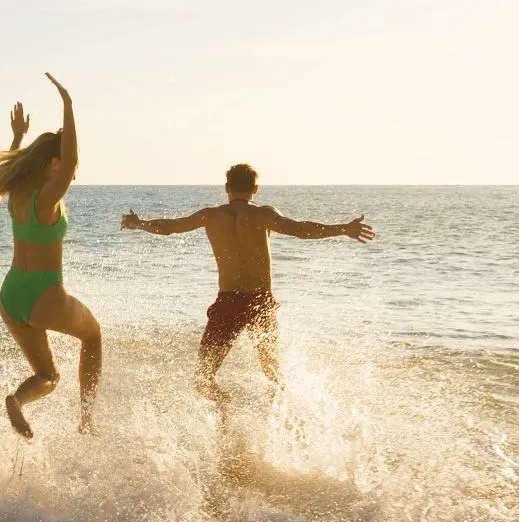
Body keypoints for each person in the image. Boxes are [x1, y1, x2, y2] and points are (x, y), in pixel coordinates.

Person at [122, 164, 374, 429]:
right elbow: (301, 230)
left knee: (204, 378)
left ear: (227, 188)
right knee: (273, 374)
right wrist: (343, 229)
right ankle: (286, 428)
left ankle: (224, 419)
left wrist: (139, 224)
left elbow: (169, 227)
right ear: (255, 189)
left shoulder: (210, 216)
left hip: (228, 303)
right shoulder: (263, 215)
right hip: (260, 304)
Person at [0, 73, 103, 439]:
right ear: (53, 163)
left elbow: (11, 164)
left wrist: (19, 136)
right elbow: (70, 162)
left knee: (48, 376)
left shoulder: (18, 191)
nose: (72, 170)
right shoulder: (45, 200)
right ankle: (87, 420)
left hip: (11, 296)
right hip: (44, 294)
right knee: (93, 337)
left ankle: (18, 400)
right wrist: (68, 106)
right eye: (65, 164)